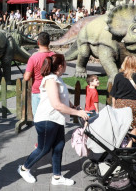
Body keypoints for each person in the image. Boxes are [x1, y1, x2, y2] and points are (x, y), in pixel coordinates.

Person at [17, 54, 89, 186]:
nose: (66, 65)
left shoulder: (57, 78)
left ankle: (57, 177)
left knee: (59, 147)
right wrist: (77, 112)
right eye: (65, 63)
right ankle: (24, 169)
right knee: (44, 149)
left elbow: (62, 98)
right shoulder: (50, 80)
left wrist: (72, 106)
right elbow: (57, 104)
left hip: (56, 119)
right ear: (61, 66)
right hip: (46, 120)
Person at [110, 56, 136, 146]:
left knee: (120, 125)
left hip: (121, 104)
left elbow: (114, 93)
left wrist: (114, 106)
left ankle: (120, 144)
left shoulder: (119, 76)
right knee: (134, 126)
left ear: (124, 63)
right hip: (134, 104)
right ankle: (131, 146)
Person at [24, 32, 55, 116]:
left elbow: (26, 77)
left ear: (38, 42)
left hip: (38, 90)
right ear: (49, 42)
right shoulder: (55, 56)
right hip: (52, 89)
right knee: (50, 116)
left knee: (38, 117)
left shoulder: (33, 58)